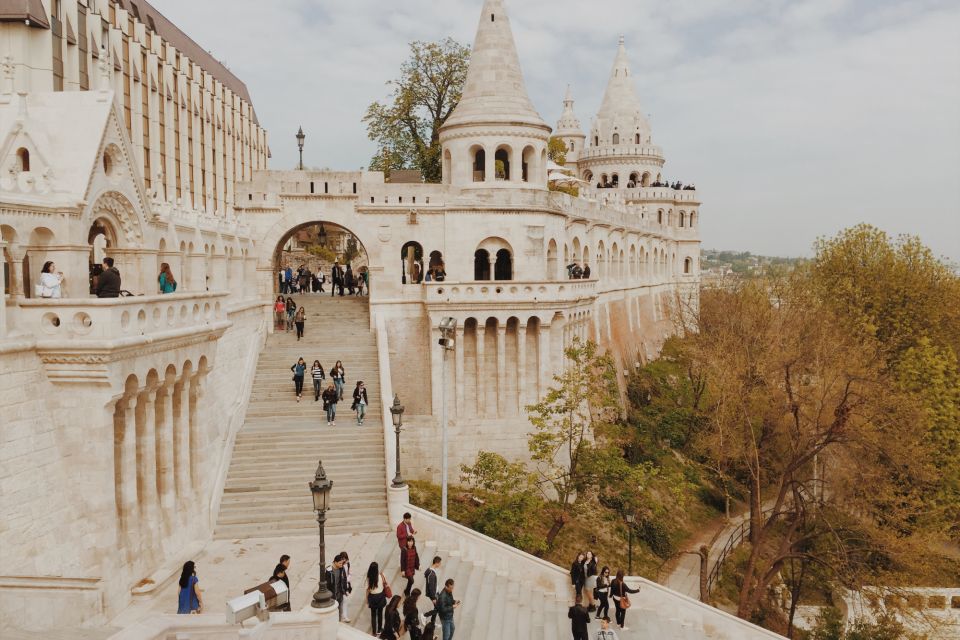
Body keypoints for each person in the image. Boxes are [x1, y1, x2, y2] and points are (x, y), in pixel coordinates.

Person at [365, 561, 388, 637]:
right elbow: (386, 583)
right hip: (380, 596)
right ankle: (379, 629)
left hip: (372, 597)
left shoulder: (368, 578)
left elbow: (367, 590)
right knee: (380, 613)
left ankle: (374, 632)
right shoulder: (382, 575)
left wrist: (367, 600)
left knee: (373, 615)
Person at [326, 554, 347, 620]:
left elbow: (344, 579)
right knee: (332, 612)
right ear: (335, 562)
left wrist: (344, 589)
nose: (341, 565)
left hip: (340, 594)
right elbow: (326, 584)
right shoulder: (329, 571)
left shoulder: (342, 569)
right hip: (332, 595)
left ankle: (339, 621)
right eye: (340, 563)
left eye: (342, 563)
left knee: (340, 609)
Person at [424, 556, 441, 623]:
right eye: (440, 563)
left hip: (436, 593)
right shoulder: (431, 574)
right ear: (436, 563)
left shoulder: (432, 571)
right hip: (434, 594)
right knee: (439, 608)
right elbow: (430, 586)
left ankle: (432, 623)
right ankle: (425, 615)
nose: (440, 565)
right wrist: (433, 597)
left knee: (436, 607)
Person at [339, 551, 353, 623]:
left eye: (345, 558)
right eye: (343, 558)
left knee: (345, 601)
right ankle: (343, 616)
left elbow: (350, 573)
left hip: (346, 585)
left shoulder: (348, 564)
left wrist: (347, 580)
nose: (344, 560)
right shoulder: (339, 565)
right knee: (343, 601)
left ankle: (344, 616)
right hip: (341, 586)